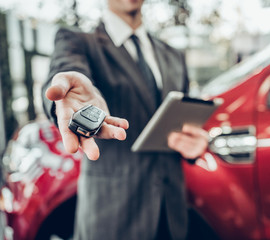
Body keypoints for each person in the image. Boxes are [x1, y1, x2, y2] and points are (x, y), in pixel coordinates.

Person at [42, 0, 209, 239]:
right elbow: (65, 74)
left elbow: (181, 121)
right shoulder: (78, 42)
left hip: (172, 214)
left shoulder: (173, 55)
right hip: (112, 215)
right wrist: (63, 99)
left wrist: (192, 144)